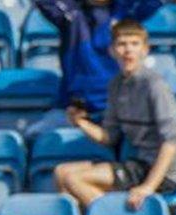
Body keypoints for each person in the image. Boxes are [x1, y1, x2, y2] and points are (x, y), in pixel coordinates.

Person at [54, 20, 176, 211]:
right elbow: (109, 137)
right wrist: (80, 122)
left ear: (145, 50)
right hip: (137, 164)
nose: (128, 50)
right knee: (61, 172)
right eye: (122, 44)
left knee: (74, 179)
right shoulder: (115, 85)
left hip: (159, 171)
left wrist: (148, 187)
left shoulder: (154, 86)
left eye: (134, 44)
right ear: (112, 50)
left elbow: (172, 141)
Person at [24, 0, 163, 140]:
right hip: (73, 109)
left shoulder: (126, 12)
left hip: (117, 111)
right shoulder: (71, 14)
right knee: (34, 137)